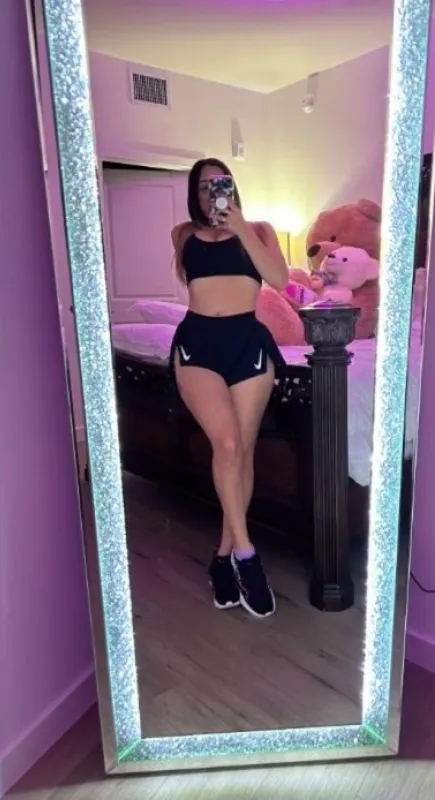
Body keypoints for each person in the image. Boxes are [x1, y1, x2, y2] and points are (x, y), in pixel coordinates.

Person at [170, 158, 289, 618]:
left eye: (219, 184)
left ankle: (222, 559)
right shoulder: (182, 234)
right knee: (226, 443)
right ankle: (247, 556)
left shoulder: (259, 230)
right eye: (203, 186)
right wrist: (217, 232)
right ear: (193, 193)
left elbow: (279, 280)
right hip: (198, 343)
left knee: (241, 452)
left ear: (233, 187)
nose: (211, 193)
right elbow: (188, 277)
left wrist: (239, 228)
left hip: (248, 344)